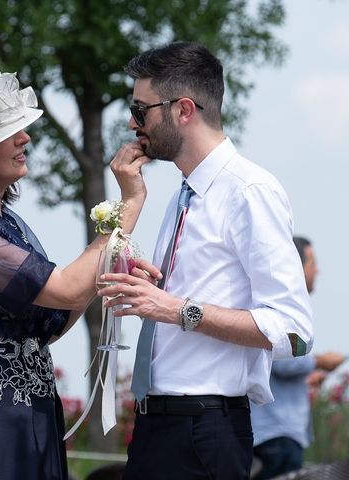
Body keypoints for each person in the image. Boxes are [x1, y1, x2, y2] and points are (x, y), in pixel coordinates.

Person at [0, 69, 149, 480]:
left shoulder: (8, 224)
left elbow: (56, 317)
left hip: (33, 412)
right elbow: (65, 288)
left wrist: (109, 268)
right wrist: (130, 202)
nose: (25, 138)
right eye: (10, 132)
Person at [96, 42, 314, 479]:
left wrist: (175, 309)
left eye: (141, 110)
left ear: (184, 110)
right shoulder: (184, 192)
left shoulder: (250, 190)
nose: (131, 122)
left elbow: (295, 332)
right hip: (160, 423)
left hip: (204, 430)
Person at [251, 236, 345, 479]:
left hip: (279, 434)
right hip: (276, 435)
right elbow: (282, 355)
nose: (317, 269)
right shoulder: (280, 305)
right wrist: (318, 362)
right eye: (312, 262)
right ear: (295, 265)